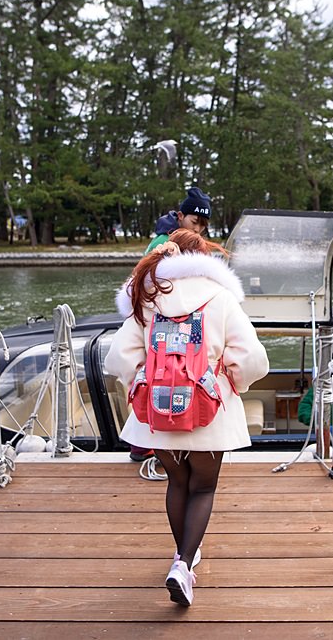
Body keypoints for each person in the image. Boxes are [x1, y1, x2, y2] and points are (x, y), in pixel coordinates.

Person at [104, 228, 269, 607]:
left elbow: (118, 357)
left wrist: (143, 384)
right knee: (204, 489)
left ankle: (184, 555)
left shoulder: (150, 298)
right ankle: (183, 564)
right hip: (208, 411)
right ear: (204, 258)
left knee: (177, 484)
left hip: (158, 413)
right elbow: (253, 358)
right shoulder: (221, 298)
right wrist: (232, 382)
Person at [129, 185, 213, 462]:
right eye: (194, 222)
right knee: (160, 375)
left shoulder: (167, 238)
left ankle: (147, 442)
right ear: (181, 216)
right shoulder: (163, 244)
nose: (199, 229)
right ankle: (150, 444)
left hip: (156, 322)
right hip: (162, 322)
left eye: (203, 224)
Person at [146, 186, 212, 253]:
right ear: (180, 216)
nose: (197, 229)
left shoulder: (194, 243)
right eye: (194, 222)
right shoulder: (163, 241)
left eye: (202, 225)